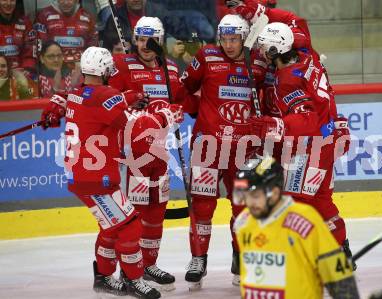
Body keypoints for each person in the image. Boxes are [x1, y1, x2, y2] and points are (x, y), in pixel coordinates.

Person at [39, 46, 184, 299]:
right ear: (105, 71)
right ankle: (134, 280)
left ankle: (104, 278)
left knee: (111, 227)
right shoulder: (106, 96)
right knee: (129, 225)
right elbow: (135, 128)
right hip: (99, 179)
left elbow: (97, 104)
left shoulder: (76, 94)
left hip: (80, 177)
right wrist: (165, 117)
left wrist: (128, 97)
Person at [247, 22, 355, 267]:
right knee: (322, 202)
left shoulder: (287, 80)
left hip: (309, 149)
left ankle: (308, 260)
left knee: (296, 203)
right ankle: (341, 251)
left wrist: (270, 125)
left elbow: (306, 120)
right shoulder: (310, 60)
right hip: (329, 141)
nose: (261, 51)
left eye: (264, 47)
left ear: (276, 49)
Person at [176, 14, 267, 289]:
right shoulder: (206, 57)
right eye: (225, 39)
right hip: (208, 146)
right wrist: (193, 111)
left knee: (243, 208)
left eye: (234, 39)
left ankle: (241, 257)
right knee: (203, 206)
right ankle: (198, 258)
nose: (229, 45)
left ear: (244, 38)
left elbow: (270, 99)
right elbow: (184, 88)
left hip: (245, 149)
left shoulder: (259, 62)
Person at [108, 16, 184, 292]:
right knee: (134, 215)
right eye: (139, 39)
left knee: (156, 213)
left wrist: (175, 113)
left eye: (150, 39)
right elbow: (108, 100)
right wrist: (127, 99)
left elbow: (180, 103)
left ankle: (148, 265)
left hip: (160, 156)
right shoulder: (121, 65)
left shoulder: (171, 69)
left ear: (160, 41)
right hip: (132, 157)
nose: (144, 45)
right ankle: (130, 270)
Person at [233, 155, 360, 299]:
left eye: (255, 196)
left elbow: (338, 276)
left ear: (274, 193)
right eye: (245, 195)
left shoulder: (304, 221)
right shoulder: (243, 222)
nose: (249, 203)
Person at [0, 0, 36, 73]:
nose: (8, 3)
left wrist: (27, 68)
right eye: (4, 0)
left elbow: (31, 49)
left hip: (20, 72)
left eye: (12, 0)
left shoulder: (25, 22)